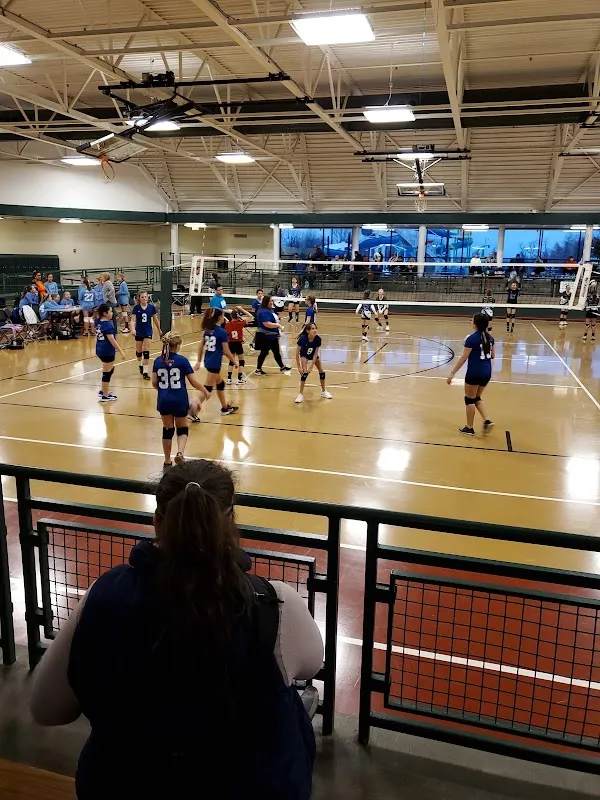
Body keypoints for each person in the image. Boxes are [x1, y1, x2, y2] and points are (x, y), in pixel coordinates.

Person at [30, 458, 323, 800]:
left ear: (156, 522)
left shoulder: (105, 595)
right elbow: (313, 662)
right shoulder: (274, 605)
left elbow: (45, 708)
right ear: (230, 524)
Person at [152, 332, 209, 467]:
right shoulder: (182, 360)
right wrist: (205, 391)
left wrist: (163, 392)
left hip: (164, 400)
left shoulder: (157, 361)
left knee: (167, 429)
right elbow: (193, 381)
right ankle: (180, 453)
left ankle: (167, 460)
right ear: (177, 345)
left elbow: (154, 382)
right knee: (182, 428)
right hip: (179, 399)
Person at [446, 313, 495, 436]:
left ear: (475, 324)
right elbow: (492, 356)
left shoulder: (471, 339)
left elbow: (463, 358)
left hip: (474, 372)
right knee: (476, 398)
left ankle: (469, 428)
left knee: (469, 399)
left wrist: (452, 374)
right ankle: (487, 420)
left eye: (472, 320)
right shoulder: (490, 338)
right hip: (487, 372)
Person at [194, 309, 239, 416]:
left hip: (208, 361)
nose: (224, 318)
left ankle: (224, 408)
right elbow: (227, 351)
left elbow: (201, 346)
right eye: (223, 316)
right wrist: (235, 362)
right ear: (219, 318)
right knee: (207, 388)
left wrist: (199, 361)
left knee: (220, 384)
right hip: (214, 363)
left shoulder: (208, 330)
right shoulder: (222, 332)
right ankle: (191, 409)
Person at [294, 323, 332, 404]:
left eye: (315, 328)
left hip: (313, 355)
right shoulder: (303, 338)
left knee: (322, 371)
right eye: (312, 329)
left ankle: (323, 391)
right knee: (304, 373)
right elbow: (297, 352)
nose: (315, 330)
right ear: (308, 331)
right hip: (304, 355)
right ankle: (300, 394)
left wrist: (311, 366)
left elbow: (315, 354)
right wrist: (299, 366)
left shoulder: (318, 339)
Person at [95, 303, 126, 403]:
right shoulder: (108, 325)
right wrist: (121, 351)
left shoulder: (98, 322)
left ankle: (104, 389)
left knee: (110, 369)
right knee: (107, 373)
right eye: (110, 311)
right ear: (105, 313)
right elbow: (112, 340)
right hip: (107, 351)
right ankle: (105, 395)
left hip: (100, 349)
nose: (112, 313)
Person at [254, 295, 291, 376]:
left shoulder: (270, 310)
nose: (271, 302)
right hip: (266, 336)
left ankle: (282, 367)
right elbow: (267, 324)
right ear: (266, 302)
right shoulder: (263, 312)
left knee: (275, 352)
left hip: (272, 335)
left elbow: (272, 319)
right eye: (270, 301)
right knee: (264, 352)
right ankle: (258, 370)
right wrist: (278, 326)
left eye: (272, 301)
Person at [131, 290, 162, 381]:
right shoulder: (136, 308)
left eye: (145, 297)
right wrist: (133, 329)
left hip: (148, 331)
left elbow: (155, 320)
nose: (144, 298)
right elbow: (133, 320)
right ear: (139, 298)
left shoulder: (151, 307)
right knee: (139, 352)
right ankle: (140, 364)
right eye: (142, 297)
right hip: (139, 332)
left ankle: (145, 372)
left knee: (146, 351)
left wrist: (159, 330)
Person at [225, 309, 250, 385]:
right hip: (238, 343)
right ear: (238, 316)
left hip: (231, 344)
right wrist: (241, 309)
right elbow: (251, 316)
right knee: (241, 360)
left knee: (231, 361)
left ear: (231, 316)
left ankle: (229, 379)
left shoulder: (227, 324)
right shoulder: (240, 323)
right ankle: (240, 378)